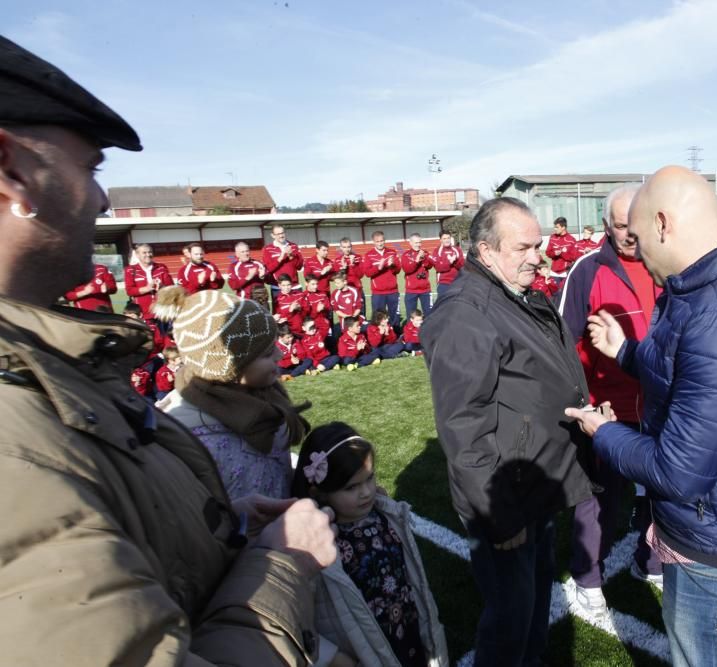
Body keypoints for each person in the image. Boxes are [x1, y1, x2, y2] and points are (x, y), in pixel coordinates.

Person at [0, 35, 335, 665]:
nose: (102, 200)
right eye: (91, 168)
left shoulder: (41, 369)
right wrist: (282, 566)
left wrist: (218, 522)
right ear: (13, 171)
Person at [566, 166, 717, 667]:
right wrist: (627, 353)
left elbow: (679, 472)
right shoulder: (715, 285)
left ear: (662, 223)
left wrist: (603, 431)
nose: (635, 250)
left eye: (636, 235)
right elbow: (689, 372)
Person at [422, 197, 593, 667]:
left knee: (534, 599)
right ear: (486, 250)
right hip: (505, 498)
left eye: (537, 245)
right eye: (524, 247)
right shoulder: (467, 313)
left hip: (532, 482)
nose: (538, 255)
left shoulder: (513, 293)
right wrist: (498, 516)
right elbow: (464, 427)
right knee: (511, 617)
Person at [556, 183, 663, 619]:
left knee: (662, 492)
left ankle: (650, 559)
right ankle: (587, 580)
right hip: (608, 411)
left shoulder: (667, 262)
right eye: (622, 226)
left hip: (659, 406)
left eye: (636, 223)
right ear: (605, 225)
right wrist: (585, 402)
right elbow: (561, 345)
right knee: (599, 501)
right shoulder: (587, 270)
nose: (631, 234)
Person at [297, 422, 449, 667]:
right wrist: (337, 659)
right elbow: (303, 621)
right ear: (319, 492)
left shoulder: (385, 515)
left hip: (407, 632)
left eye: (369, 479)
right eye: (351, 487)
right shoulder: (318, 546)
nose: (367, 492)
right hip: (367, 649)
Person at [154, 285, 310, 499]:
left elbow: (274, 463)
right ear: (227, 368)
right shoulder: (201, 438)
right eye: (265, 353)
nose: (279, 354)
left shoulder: (266, 394)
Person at [124, 242, 174, 322]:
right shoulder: (130, 270)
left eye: (150, 252)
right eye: (144, 252)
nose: (148, 254)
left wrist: (162, 287)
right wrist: (147, 288)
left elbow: (171, 287)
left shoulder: (161, 267)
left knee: (164, 334)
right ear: (137, 255)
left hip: (162, 312)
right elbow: (129, 291)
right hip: (143, 313)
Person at [363, 231, 401, 328]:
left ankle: (396, 337)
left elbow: (398, 270)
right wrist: (379, 268)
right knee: (378, 318)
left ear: (384, 240)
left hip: (393, 291)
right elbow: (367, 273)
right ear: (373, 242)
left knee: (394, 317)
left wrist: (392, 266)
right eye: (377, 241)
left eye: (382, 241)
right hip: (378, 293)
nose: (380, 243)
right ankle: (378, 339)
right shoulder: (369, 255)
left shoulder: (392, 252)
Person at [263, 225, 304, 296]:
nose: (281, 236)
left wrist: (292, 256)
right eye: (278, 234)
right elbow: (268, 269)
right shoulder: (267, 249)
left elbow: (299, 266)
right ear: (273, 235)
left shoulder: (293, 246)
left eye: (282, 233)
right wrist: (281, 257)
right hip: (277, 287)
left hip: (294, 286)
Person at [401, 233, 434, 317]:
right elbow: (407, 269)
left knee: (429, 314)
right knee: (411, 315)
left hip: (425, 290)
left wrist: (424, 259)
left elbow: (430, 266)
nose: (418, 245)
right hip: (411, 291)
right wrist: (416, 260)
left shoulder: (425, 253)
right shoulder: (406, 255)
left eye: (420, 242)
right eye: (416, 243)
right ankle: (411, 330)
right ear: (410, 243)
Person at [431, 231, 464, 299]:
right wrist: (449, 262)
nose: (447, 240)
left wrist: (455, 260)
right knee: (443, 306)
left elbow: (462, 266)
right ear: (440, 240)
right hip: (443, 284)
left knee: (456, 306)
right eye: (444, 238)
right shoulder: (436, 251)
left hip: (457, 283)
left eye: (448, 238)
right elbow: (438, 267)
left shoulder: (457, 250)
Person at [545, 216, 577, 282]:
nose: (555, 229)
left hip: (565, 273)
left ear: (563, 227)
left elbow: (574, 257)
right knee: (554, 292)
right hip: (554, 272)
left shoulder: (571, 240)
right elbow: (547, 252)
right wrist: (554, 253)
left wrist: (562, 254)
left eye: (557, 227)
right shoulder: (552, 237)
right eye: (555, 227)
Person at [334, 237, 365, 304]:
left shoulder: (358, 257)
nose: (347, 249)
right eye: (344, 247)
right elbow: (337, 279)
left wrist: (353, 265)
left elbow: (361, 275)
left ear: (351, 247)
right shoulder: (337, 260)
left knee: (360, 313)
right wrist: (343, 269)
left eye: (348, 247)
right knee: (346, 313)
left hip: (357, 289)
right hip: (344, 291)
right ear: (341, 248)